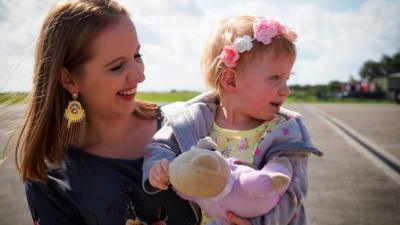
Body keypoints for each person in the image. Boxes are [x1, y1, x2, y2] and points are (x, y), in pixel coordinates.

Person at [12, 0, 199, 224]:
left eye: (137, 56)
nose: (139, 76)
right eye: (117, 66)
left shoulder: (184, 125)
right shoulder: (49, 178)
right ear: (69, 79)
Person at [142, 15, 322, 225]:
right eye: (275, 78)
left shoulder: (283, 132)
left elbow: (293, 191)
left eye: (287, 78)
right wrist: (157, 167)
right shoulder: (193, 120)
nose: (286, 90)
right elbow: (160, 146)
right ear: (231, 80)